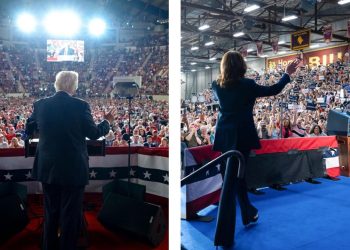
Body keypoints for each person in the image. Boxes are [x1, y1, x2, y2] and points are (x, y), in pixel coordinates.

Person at [211, 51, 300, 247]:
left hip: (225, 136)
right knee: (235, 179)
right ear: (242, 65)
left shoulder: (216, 85)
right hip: (242, 136)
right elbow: (274, 89)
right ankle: (227, 232)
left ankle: (248, 213)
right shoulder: (248, 85)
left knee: (234, 177)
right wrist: (286, 74)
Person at [25, 71, 116, 250]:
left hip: (48, 167)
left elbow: (29, 129)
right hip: (73, 168)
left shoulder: (40, 104)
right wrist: (107, 121)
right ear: (73, 86)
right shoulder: (81, 105)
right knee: (70, 214)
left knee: (50, 212)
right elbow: (94, 133)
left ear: (56, 84)